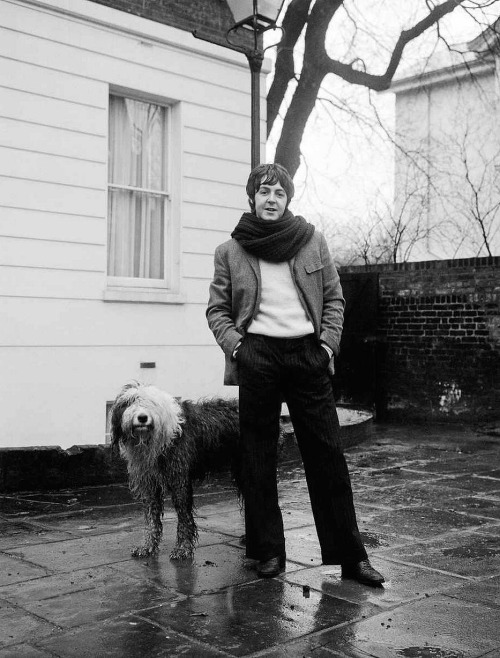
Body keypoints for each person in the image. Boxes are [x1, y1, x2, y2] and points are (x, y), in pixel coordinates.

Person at [206, 163, 384, 586]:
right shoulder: (230, 251)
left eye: (279, 193)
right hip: (257, 357)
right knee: (258, 458)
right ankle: (268, 551)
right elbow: (217, 309)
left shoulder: (312, 241)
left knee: (327, 457)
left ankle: (351, 558)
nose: (271, 199)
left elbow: (335, 300)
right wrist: (238, 347)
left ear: (288, 200)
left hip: (308, 356)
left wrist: (326, 347)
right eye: (264, 191)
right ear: (251, 198)